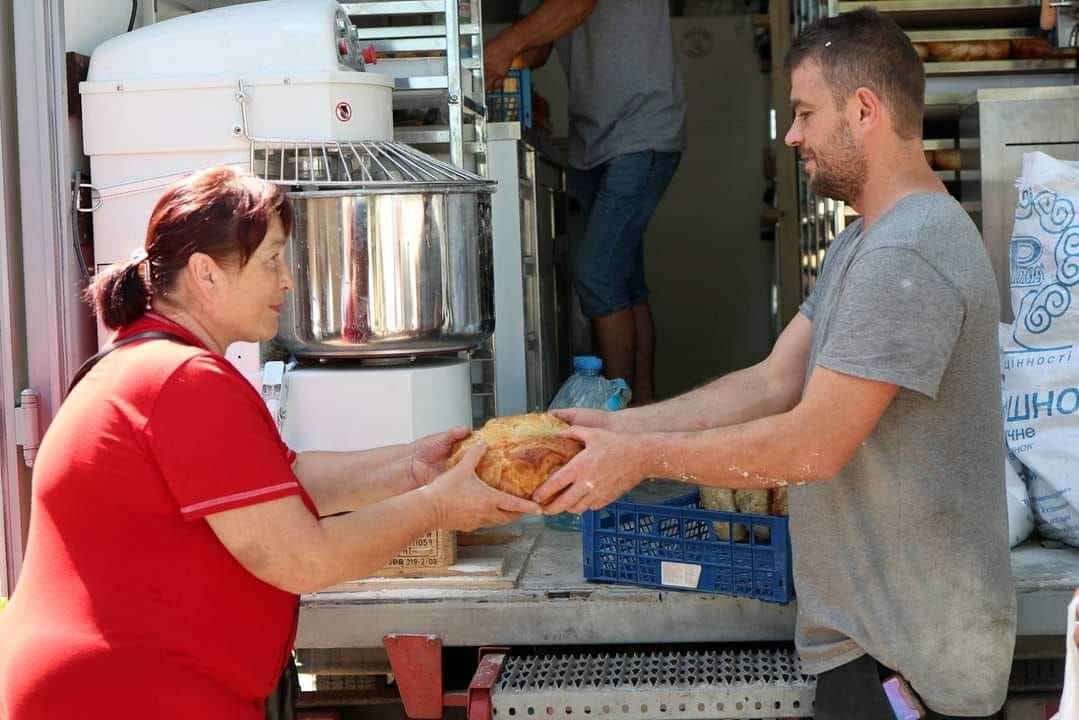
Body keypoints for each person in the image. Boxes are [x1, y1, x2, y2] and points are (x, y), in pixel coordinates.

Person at [535, 9, 1016, 719]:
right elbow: (772, 382)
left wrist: (638, 463)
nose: (790, 136)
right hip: (878, 644)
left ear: (862, 110)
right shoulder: (866, 242)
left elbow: (810, 445)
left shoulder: (907, 255)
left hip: (910, 664)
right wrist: (622, 430)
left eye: (802, 113)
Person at [0, 167, 540, 719]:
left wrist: (413, 467)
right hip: (120, 696)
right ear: (206, 275)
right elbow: (303, 558)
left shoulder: (152, 364)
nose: (287, 281)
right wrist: (436, 507)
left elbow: (284, 483)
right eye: (272, 260)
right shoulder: (182, 380)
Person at [484, 0, 687, 405]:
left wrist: (503, 46)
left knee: (598, 275)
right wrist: (483, 58)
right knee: (624, 284)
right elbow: (539, 45)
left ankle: (614, 426)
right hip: (592, 138)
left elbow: (575, 4)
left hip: (642, 129)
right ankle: (642, 413)